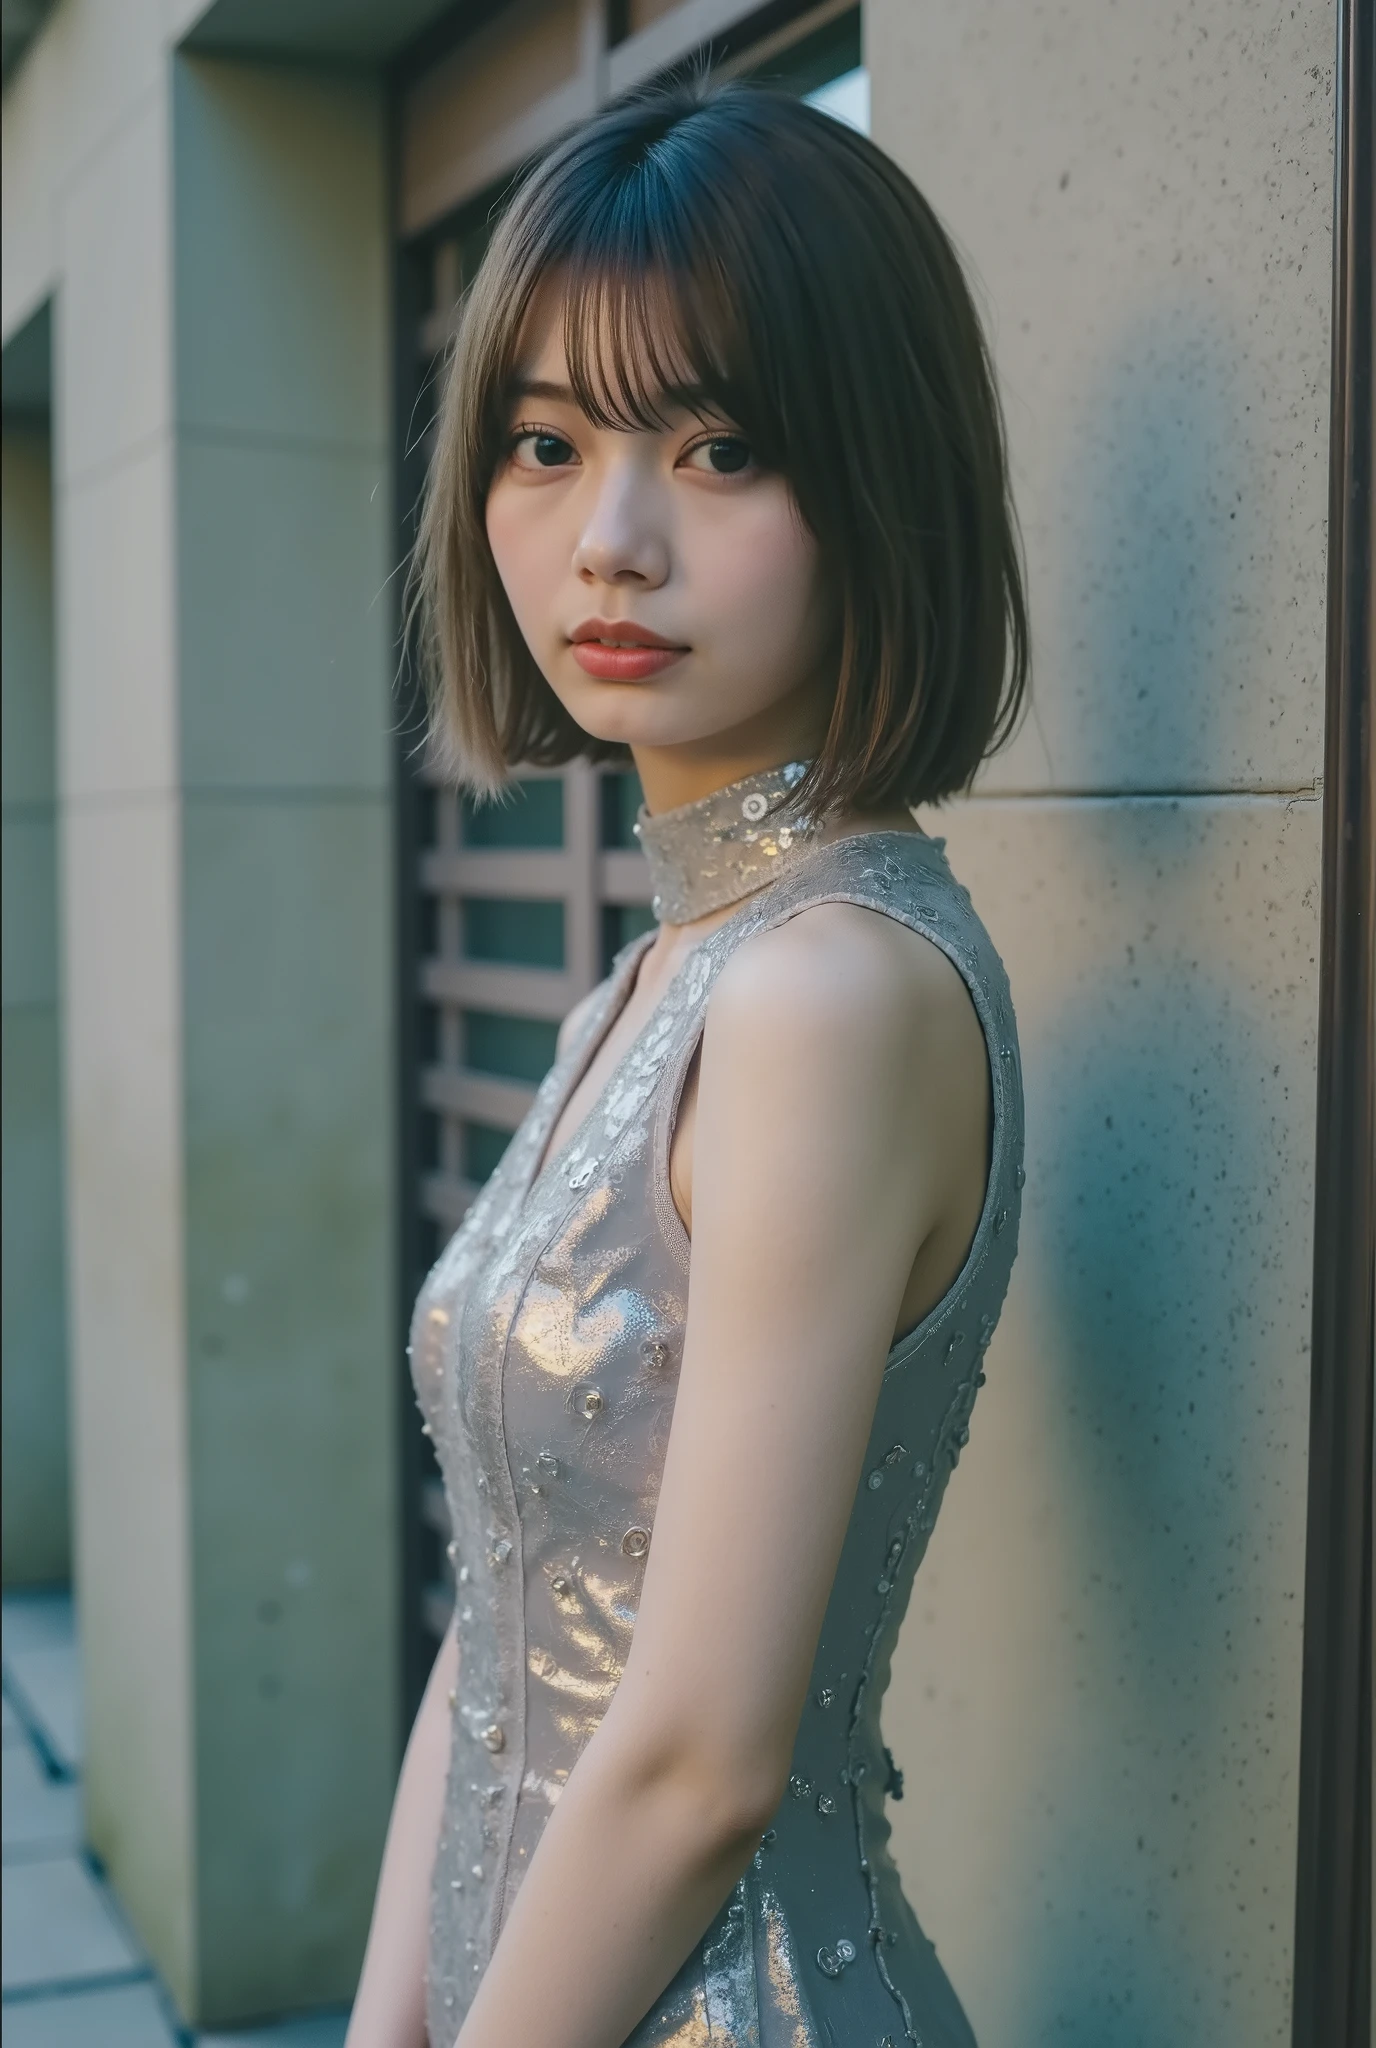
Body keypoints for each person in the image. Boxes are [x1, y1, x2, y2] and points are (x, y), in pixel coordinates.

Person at [347, 76, 1028, 2048]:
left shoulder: (833, 997)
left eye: (720, 447)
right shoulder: (652, 983)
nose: (609, 540)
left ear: (875, 479)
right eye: (542, 443)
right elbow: (503, 1599)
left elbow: (698, 1757)